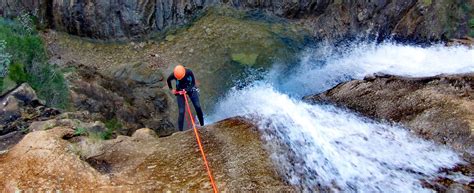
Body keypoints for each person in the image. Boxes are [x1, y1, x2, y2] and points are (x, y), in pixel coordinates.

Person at [167, 64, 204, 131]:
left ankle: (202, 125)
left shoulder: (189, 72)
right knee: (181, 112)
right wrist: (171, 89)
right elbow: (168, 80)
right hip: (180, 91)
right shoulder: (174, 75)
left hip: (190, 88)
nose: (179, 79)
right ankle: (180, 132)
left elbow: (193, 83)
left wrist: (186, 90)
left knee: (197, 106)